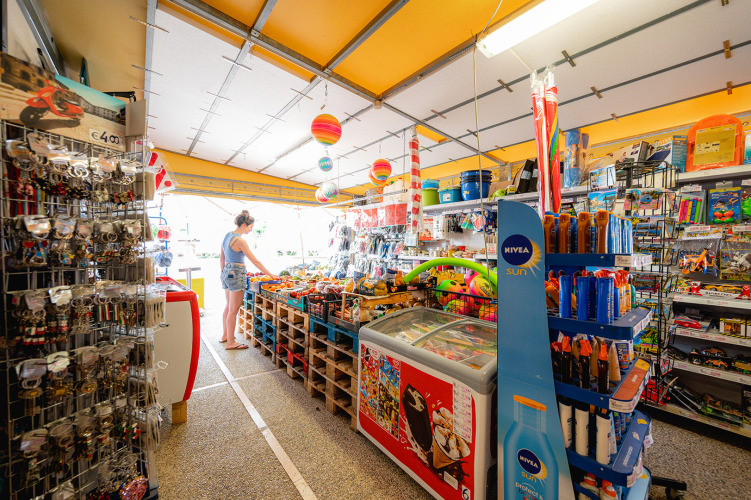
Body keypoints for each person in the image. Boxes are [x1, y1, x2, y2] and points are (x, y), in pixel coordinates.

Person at [220, 211, 278, 350]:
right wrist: (271, 274)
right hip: (237, 273)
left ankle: (225, 336)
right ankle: (231, 342)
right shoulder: (240, 240)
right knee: (234, 310)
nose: (251, 230)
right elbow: (255, 261)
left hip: (227, 271)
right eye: (250, 227)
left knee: (229, 306)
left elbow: (222, 257)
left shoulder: (227, 235)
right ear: (244, 225)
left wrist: (223, 272)